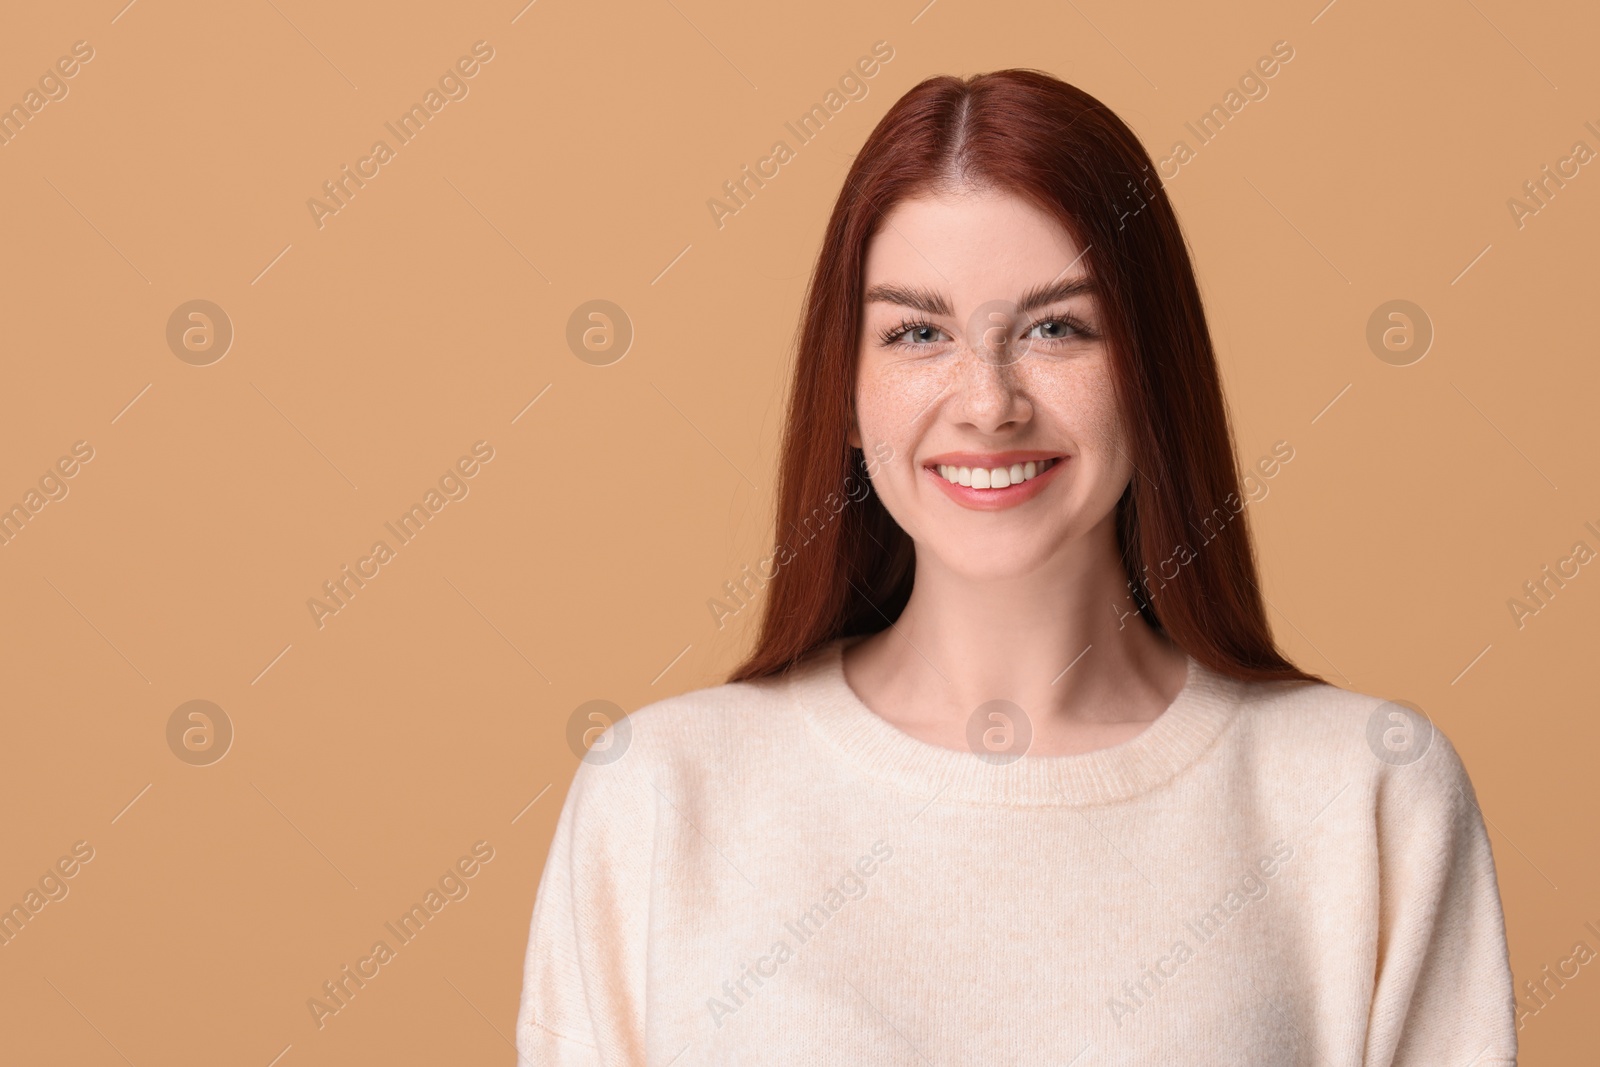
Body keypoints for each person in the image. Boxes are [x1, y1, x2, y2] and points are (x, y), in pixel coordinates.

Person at [515, 68, 1518, 1064]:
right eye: (918, 332)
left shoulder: (1362, 792)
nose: (989, 402)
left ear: (1152, 374)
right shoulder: (658, 795)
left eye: (1055, 328)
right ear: (847, 393)